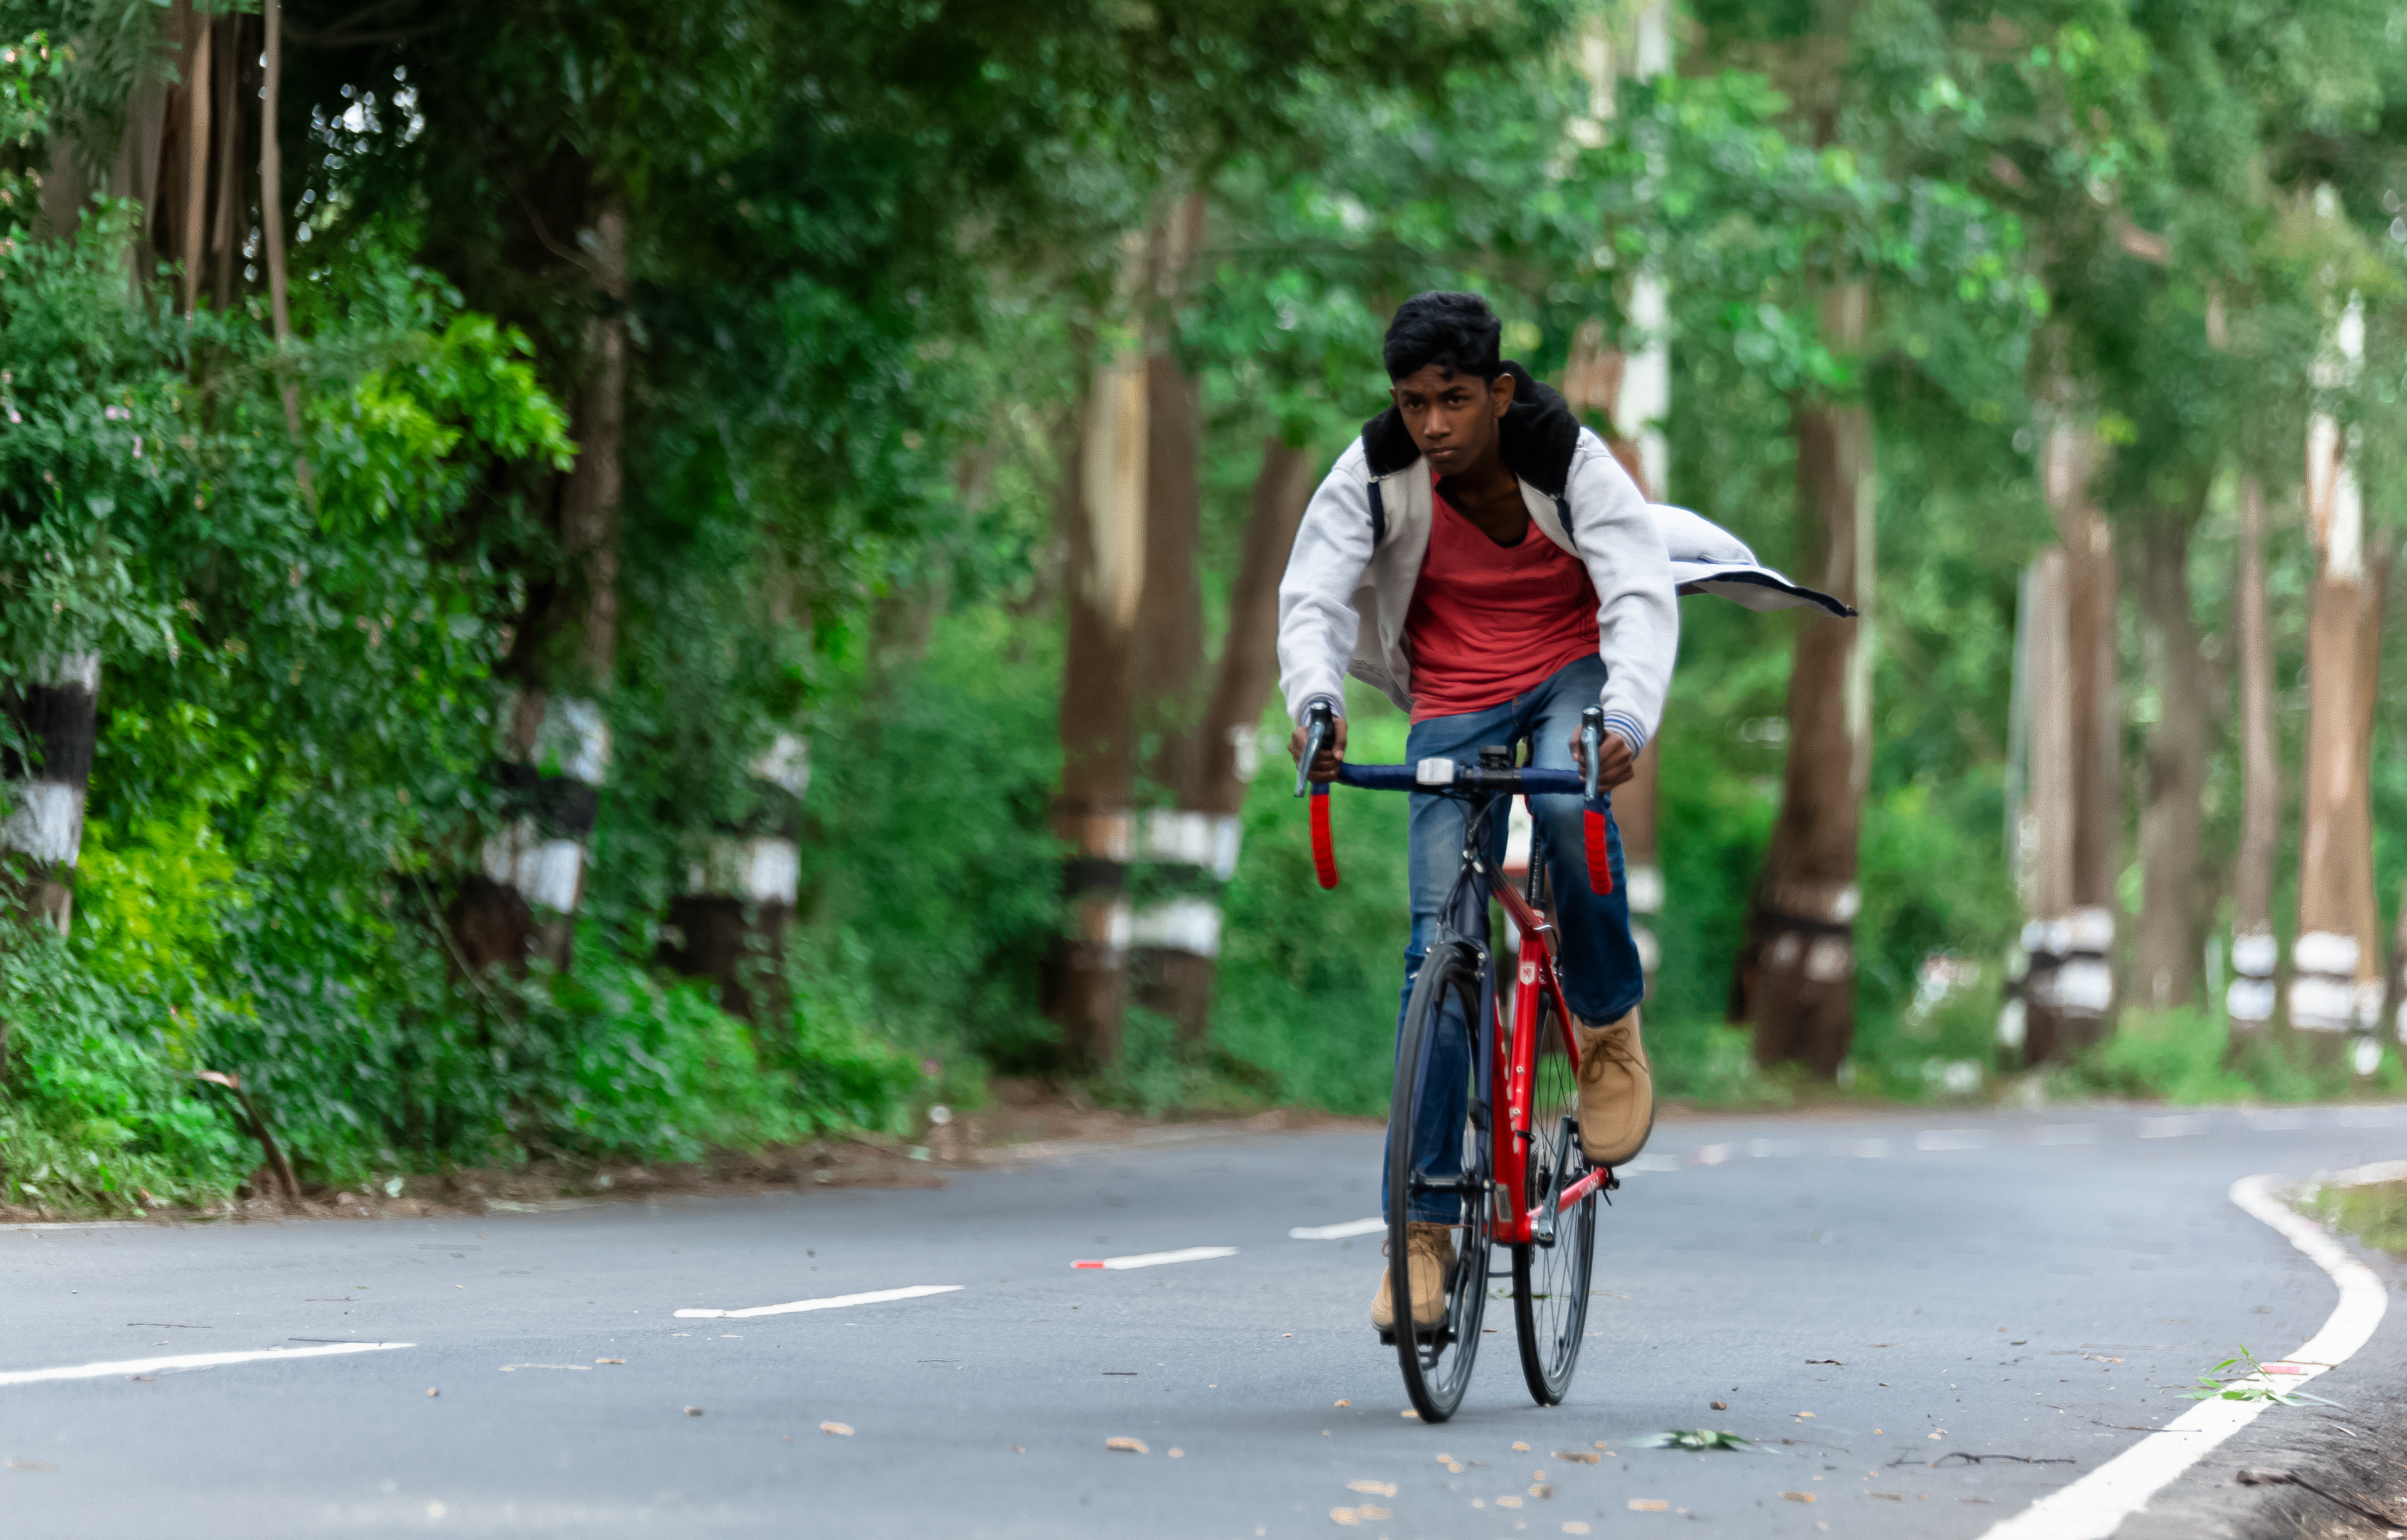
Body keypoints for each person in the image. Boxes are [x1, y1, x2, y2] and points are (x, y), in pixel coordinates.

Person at [1275, 291, 1673, 1335]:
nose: (1433, 425)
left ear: (1498, 390)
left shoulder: (1568, 457)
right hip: (1453, 694)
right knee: (1434, 953)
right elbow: (1313, 596)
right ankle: (1421, 1236)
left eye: (1453, 400)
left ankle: (1607, 1030)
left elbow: (1639, 589)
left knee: (1568, 806)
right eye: (1413, 403)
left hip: (1570, 674)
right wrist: (1316, 705)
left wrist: (1626, 715)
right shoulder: (1374, 470)